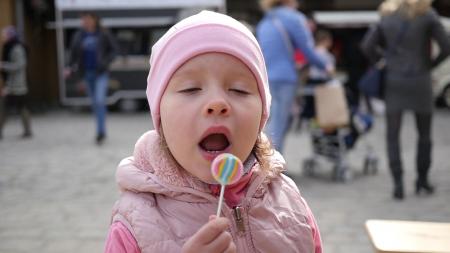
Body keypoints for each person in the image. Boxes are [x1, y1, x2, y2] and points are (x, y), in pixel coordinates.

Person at [104, 11, 322, 253]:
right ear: (159, 115)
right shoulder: (135, 225)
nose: (217, 103)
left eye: (239, 90)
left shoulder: (291, 207)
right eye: (191, 88)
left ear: (262, 113)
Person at [361, 0, 450, 200]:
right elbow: (446, 46)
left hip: (395, 80)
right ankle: (422, 180)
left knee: (393, 135)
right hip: (421, 80)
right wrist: (429, 65)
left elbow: (367, 46)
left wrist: (382, 63)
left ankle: (398, 184)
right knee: (424, 135)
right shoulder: (428, 15)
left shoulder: (387, 15)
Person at [256, 0, 334, 153]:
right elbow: (308, 50)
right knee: (280, 122)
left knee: (271, 120)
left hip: (266, 76)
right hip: (286, 78)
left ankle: (267, 161)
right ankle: (270, 166)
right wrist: (325, 66)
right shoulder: (295, 18)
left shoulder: (264, 22)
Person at [65, 12, 117, 145]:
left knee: (100, 101)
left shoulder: (103, 34)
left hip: (101, 73)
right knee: (95, 104)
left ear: (94, 20)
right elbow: (73, 54)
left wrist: (104, 63)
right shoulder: (79, 35)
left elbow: (113, 51)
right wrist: (69, 67)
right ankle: (101, 130)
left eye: (88, 19)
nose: (85, 22)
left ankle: (100, 132)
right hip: (87, 74)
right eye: (83, 20)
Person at [0, 26, 32, 139]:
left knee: (4, 107)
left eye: (4, 35)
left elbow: (20, 64)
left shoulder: (16, 48)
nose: (2, 37)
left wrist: (3, 66)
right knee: (21, 107)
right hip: (15, 84)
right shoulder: (9, 47)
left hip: (16, 84)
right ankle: (28, 131)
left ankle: (27, 130)